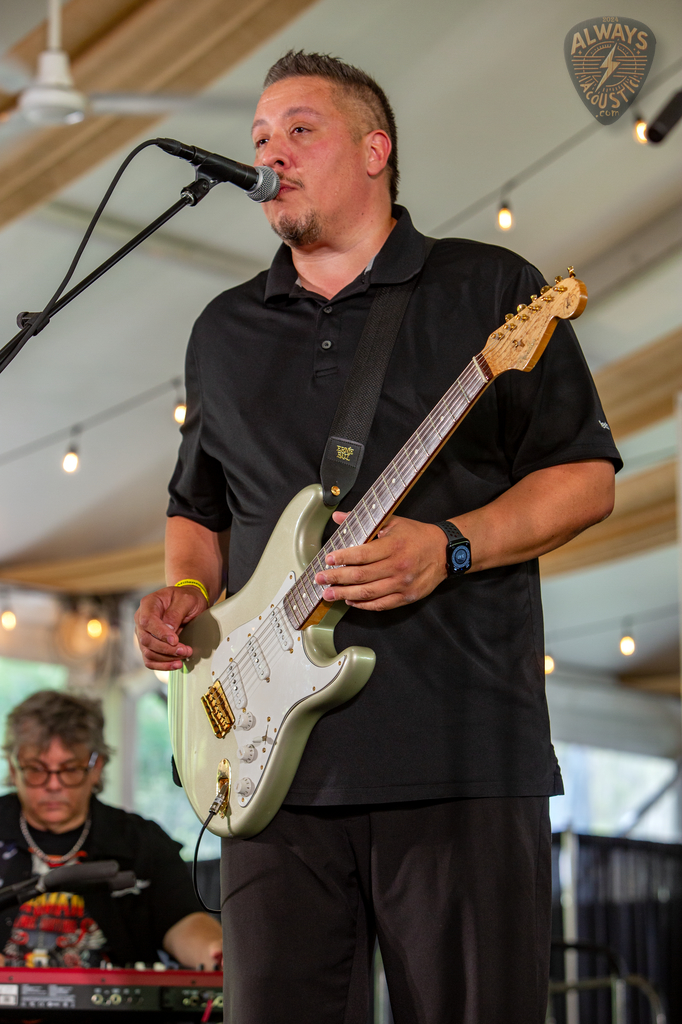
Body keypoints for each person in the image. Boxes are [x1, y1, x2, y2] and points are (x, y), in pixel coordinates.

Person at [135, 51, 620, 1024]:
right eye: (259, 137)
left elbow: (585, 478)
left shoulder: (488, 287)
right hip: (265, 775)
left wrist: (449, 544)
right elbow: (199, 508)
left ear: (374, 150)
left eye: (299, 130)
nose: (270, 153)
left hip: (458, 757)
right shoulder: (222, 329)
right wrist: (185, 591)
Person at [0, 690, 222, 970]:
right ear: (13, 768)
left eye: (70, 769)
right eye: (36, 769)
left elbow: (182, 920)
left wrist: (215, 952)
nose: (53, 785)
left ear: (96, 767)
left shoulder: (140, 841)